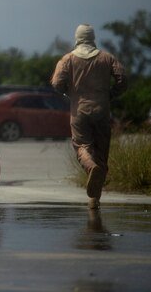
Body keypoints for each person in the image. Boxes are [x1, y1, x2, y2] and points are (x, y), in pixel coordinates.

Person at [51, 24, 127, 209]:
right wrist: (110, 94)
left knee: (81, 146)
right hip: (102, 110)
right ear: (93, 38)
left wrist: (68, 92)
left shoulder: (68, 59)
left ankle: (90, 167)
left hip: (79, 111)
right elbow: (122, 79)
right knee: (101, 152)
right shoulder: (107, 58)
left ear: (77, 38)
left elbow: (56, 83)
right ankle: (94, 200)